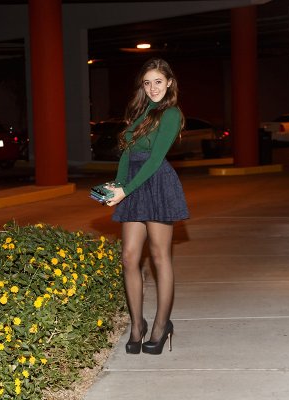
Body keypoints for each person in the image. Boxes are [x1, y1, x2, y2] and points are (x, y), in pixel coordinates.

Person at [105, 58, 189, 355]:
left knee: (159, 256)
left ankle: (161, 325)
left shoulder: (171, 114)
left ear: (169, 83)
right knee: (129, 257)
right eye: (147, 83)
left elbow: (154, 160)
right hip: (133, 184)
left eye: (158, 82)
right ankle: (137, 325)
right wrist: (117, 186)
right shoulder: (141, 112)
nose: (153, 88)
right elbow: (128, 153)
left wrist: (126, 190)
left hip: (156, 183)